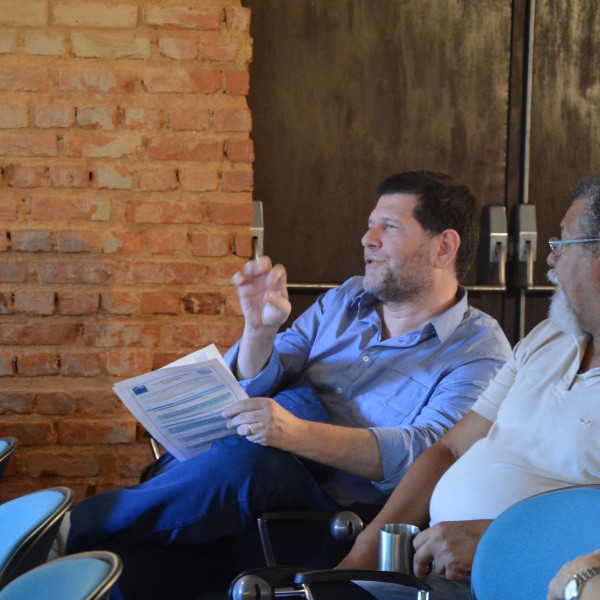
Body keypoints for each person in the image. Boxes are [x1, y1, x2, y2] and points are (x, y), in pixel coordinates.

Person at [65, 170, 510, 598]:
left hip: (336, 518)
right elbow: (269, 371)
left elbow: (421, 452)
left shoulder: (479, 350)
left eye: (388, 227)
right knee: (119, 565)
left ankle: (63, 529)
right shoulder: (345, 298)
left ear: (443, 246)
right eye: (370, 225)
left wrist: (292, 434)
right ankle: (75, 545)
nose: (367, 239)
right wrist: (259, 330)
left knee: (252, 457)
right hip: (245, 492)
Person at [338, 172, 600, 600]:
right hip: (432, 568)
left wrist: (501, 541)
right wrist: (363, 554)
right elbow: (450, 449)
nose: (549, 260)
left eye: (562, 244)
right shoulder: (549, 337)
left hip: (524, 582)